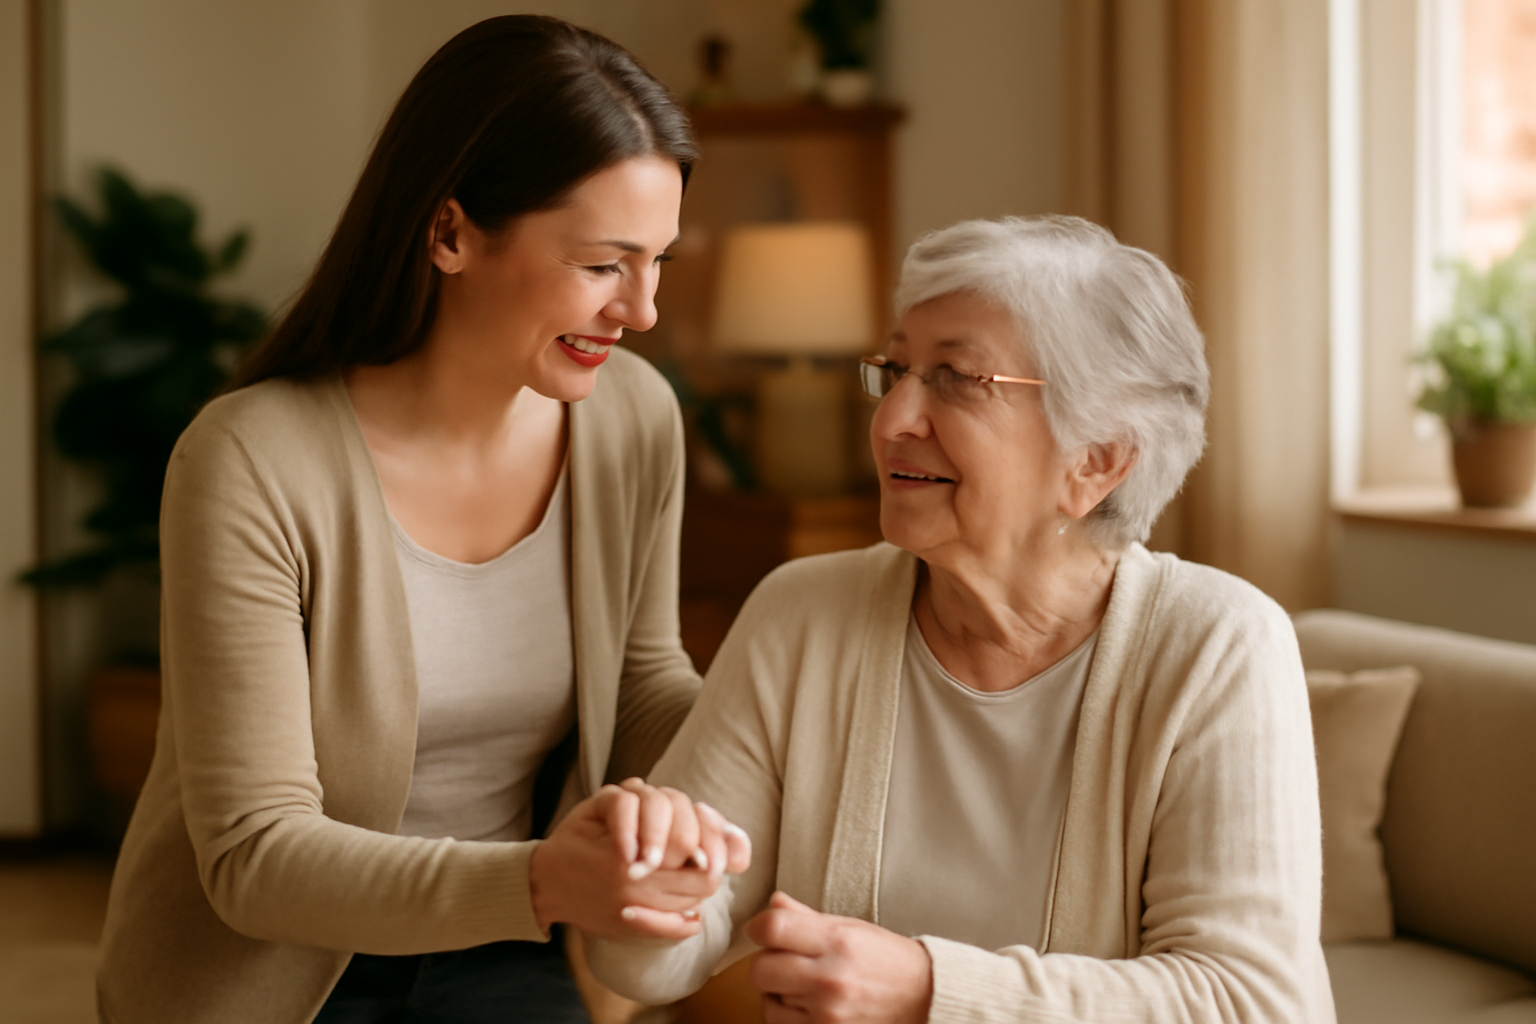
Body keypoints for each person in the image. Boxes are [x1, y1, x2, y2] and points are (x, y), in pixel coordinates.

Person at [96, 16, 747, 1024]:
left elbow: (644, 680)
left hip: (500, 944)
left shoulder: (630, 418)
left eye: (657, 261)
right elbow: (254, 852)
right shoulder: (252, 459)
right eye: (602, 264)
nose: (644, 311)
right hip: (266, 976)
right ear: (449, 233)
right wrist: (541, 881)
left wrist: (772, 739)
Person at [588, 215, 1336, 1023]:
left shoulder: (1220, 645)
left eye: (956, 379)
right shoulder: (800, 615)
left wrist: (926, 991)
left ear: (1097, 460)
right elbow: (651, 964)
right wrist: (652, 890)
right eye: (898, 369)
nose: (892, 420)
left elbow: (1255, 1004)